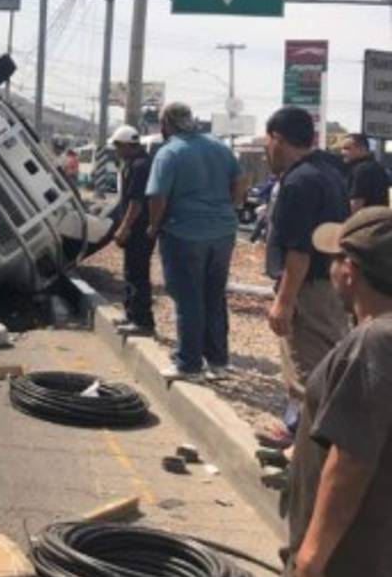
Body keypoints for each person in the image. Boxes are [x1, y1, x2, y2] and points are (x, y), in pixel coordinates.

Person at [283, 207, 392, 577]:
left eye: (334, 258)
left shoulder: (375, 343)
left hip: (347, 566)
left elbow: (353, 460)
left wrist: (311, 562)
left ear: (350, 271)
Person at [146, 102, 245, 380]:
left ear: (165, 124)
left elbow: (157, 196)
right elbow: (240, 182)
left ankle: (189, 363)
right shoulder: (219, 147)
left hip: (184, 233)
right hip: (223, 233)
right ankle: (218, 361)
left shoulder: (169, 152)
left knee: (188, 298)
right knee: (214, 296)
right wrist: (228, 208)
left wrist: (154, 226)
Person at [265, 106, 350, 410]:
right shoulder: (330, 172)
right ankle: (295, 431)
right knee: (326, 360)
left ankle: (305, 448)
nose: (266, 149)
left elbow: (299, 250)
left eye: (267, 142)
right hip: (329, 281)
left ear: (277, 139)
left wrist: (284, 302)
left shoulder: (299, 182)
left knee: (307, 372)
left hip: (308, 288)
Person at [110, 125, 155, 336]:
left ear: (129, 146)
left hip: (138, 230)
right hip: (135, 229)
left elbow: (136, 202)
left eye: (118, 146)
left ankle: (142, 321)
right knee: (130, 272)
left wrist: (124, 227)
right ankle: (131, 315)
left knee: (138, 274)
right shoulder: (132, 164)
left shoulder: (140, 166)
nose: (117, 151)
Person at [340, 132, 389, 212]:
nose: (342, 152)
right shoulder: (377, 167)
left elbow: (355, 206)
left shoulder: (361, 170)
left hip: (364, 221)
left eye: (347, 148)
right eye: (341, 149)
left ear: (362, 149)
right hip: (380, 220)